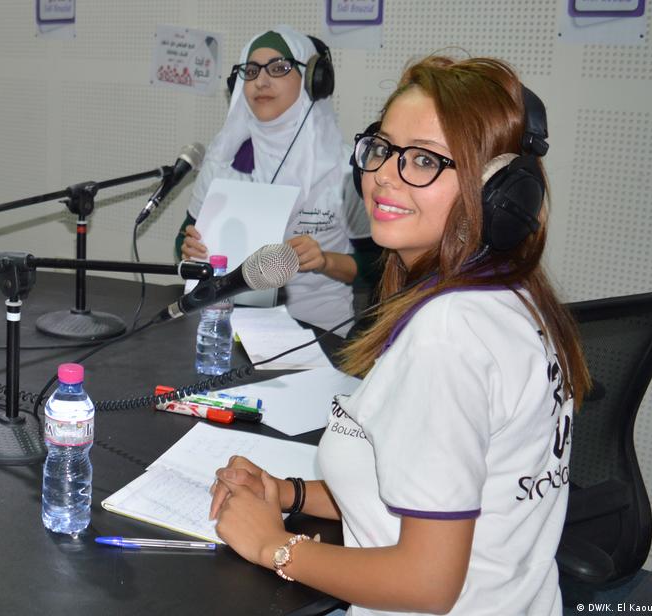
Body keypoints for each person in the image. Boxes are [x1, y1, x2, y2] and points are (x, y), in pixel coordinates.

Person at [208, 55, 590, 615]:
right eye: (383, 148)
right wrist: (289, 493)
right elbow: (441, 495)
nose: (385, 173)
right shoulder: (514, 299)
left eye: (424, 160)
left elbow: (427, 582)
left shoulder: (448, 335)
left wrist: (273, 545)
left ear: (496, 194)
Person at [176, 26, 377, 335]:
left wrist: (326, 261)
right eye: (251, 71)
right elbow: (183, 239)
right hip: (224, 324)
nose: (261, 81)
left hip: (316, 332)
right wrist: (188, 249)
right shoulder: (223, 158)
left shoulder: (345, 169)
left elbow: (378, 266)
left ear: (313, 80)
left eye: (279, 68)